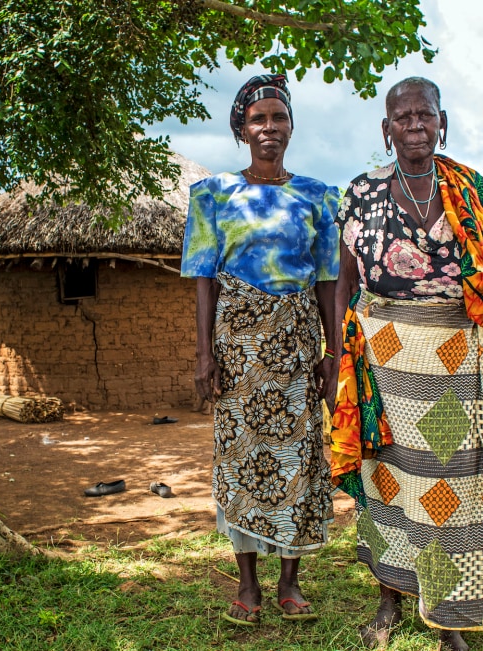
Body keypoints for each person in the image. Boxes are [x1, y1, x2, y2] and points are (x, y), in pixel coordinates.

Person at [330, 77, 483, 651]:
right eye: (402, 117)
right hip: (383, 364)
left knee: (445, 488)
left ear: (442, 121)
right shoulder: (360, 193)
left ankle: (448, 614)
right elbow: (344, 284)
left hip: (454, 365)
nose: (414, 125)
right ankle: (389, 595)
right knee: (386, 480)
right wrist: (338, 362)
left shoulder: (472, 190)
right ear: (386, 129)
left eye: (424, 115)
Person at [181, 74, 339, 626]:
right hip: (237, 350)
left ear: (291, 125)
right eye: (258, 119)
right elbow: (203, 278)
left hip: (296, 346)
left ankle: (290, 584)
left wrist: (333, 353)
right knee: (240, 457)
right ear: (241, 129)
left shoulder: (319, 196)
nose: (269, 128)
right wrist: (205, 354)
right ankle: (247, 586)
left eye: (279, 117)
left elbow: (327, 281)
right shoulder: (213, 195)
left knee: (296, 457)